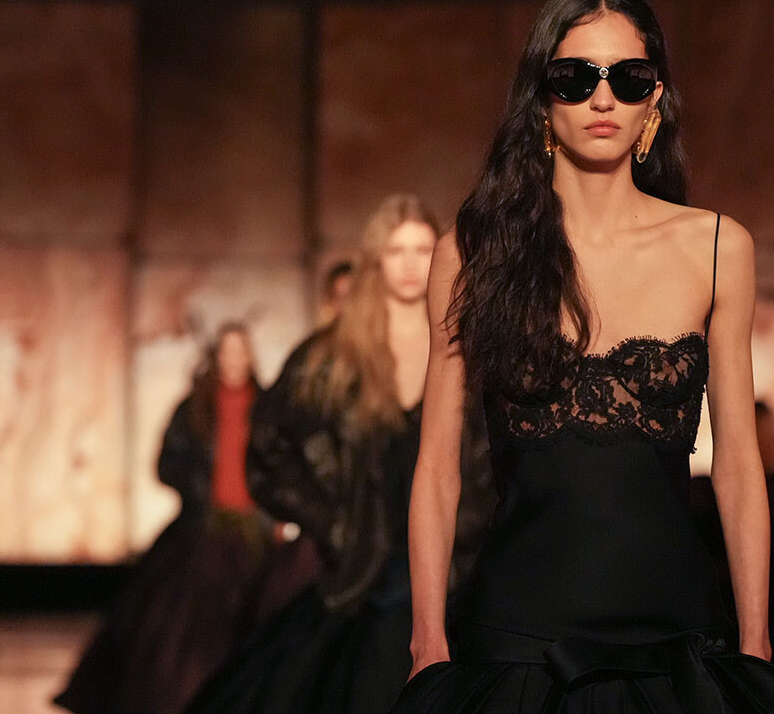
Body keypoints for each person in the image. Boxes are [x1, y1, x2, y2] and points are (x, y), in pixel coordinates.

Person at [394, 0, 774, 712]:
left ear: (654, 98)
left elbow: (737, 464)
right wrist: (426, 640)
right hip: (514, 644)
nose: (604, 100)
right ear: (541, 96)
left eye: (627, 79)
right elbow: (438, 465)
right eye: (576, 77)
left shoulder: (717, 248)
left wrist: (756, 639)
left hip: (677, 641)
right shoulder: (473, 252)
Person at [183, 194, 493, 714]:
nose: (413, 263)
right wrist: (329, 521)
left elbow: (495, 451)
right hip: (362, 568)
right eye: (398, 250)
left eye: (423, 248)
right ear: (375, 260)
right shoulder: (329, 358)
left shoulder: (470, 347)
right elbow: (268, 452)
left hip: (456, 559)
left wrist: (485, 523)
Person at [56, 324, 289, 714]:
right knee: (189, 629)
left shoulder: (268, 409)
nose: (234, 361)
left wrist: (276, 508)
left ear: (251, 357)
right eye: (227, 352)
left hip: (256, 531)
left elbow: (283, 464)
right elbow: (167, 463)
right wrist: (197, 490)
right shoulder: (194, 408)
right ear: (216, 359)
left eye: (241, 352)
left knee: (256, 620)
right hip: (204, 528)